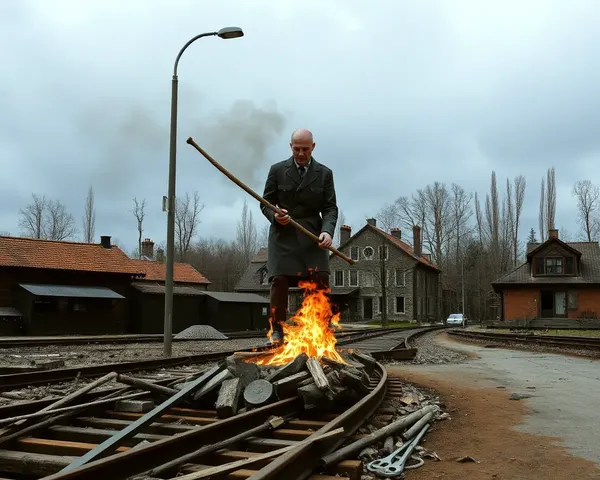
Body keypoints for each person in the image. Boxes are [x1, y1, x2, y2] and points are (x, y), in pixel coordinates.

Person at [260, 128, 339, 344]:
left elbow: (331, 208)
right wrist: (275, 216)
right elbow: (265, 203)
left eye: (305, 149)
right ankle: (277, 330)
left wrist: (327, 231)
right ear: (290, 147)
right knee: (279, 279)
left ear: (313, 147)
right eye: (297, 149)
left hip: (312, 238)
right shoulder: (277, 171)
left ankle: (317, 328)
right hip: (282, 238)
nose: (301, 154)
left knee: (321, 277)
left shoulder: (324, 173)